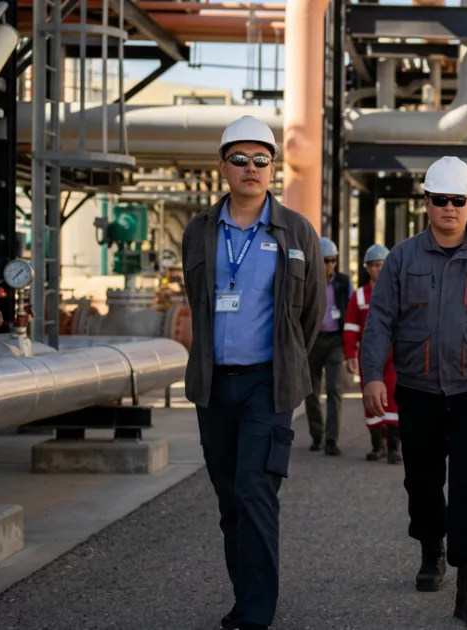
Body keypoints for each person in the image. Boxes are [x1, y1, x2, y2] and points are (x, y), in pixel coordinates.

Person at [359, 156, 467, 626]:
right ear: (426, 202)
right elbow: (380, 319)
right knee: (422, 480)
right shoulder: (403, 258)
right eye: (440, 199)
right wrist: (373, 375)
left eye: (458, 200)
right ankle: (432, 546)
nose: (449, 208)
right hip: (418, 390)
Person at [180, 115, 325, 630]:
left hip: (268, 384)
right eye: (239, 159)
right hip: (214, 386)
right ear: (223, 167)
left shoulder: (296, 231)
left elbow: (311, 312)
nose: (251, 168)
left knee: (254, 492)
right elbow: (197, 300)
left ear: (273, 168)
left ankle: (256, 612)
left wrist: (286, 361)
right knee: (229, 500)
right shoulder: (199, 231)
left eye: (261, 159)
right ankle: (245, 597)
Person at [343, 243, 402, 464]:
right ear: (367, 269)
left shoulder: (398, 293)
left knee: (394, 398)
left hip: (395, 355)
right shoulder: (359, 296)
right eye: (374, 265)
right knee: (371, 399)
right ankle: (377, 445)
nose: (378, 269)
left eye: (381, 265)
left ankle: (394, 446)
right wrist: (350, 354)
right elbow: (351, 327)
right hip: (368, 356)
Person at [304, 236, 352, 456]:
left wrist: (350, 344)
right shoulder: (307, 281)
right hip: (313, 340)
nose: (329, 265)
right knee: (311, 391)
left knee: (334, 389)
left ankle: (332, 439)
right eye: (325, 260)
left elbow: (350, 311)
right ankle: (317, 435)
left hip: (335, 340)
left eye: (333, 260)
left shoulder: (343, 282)